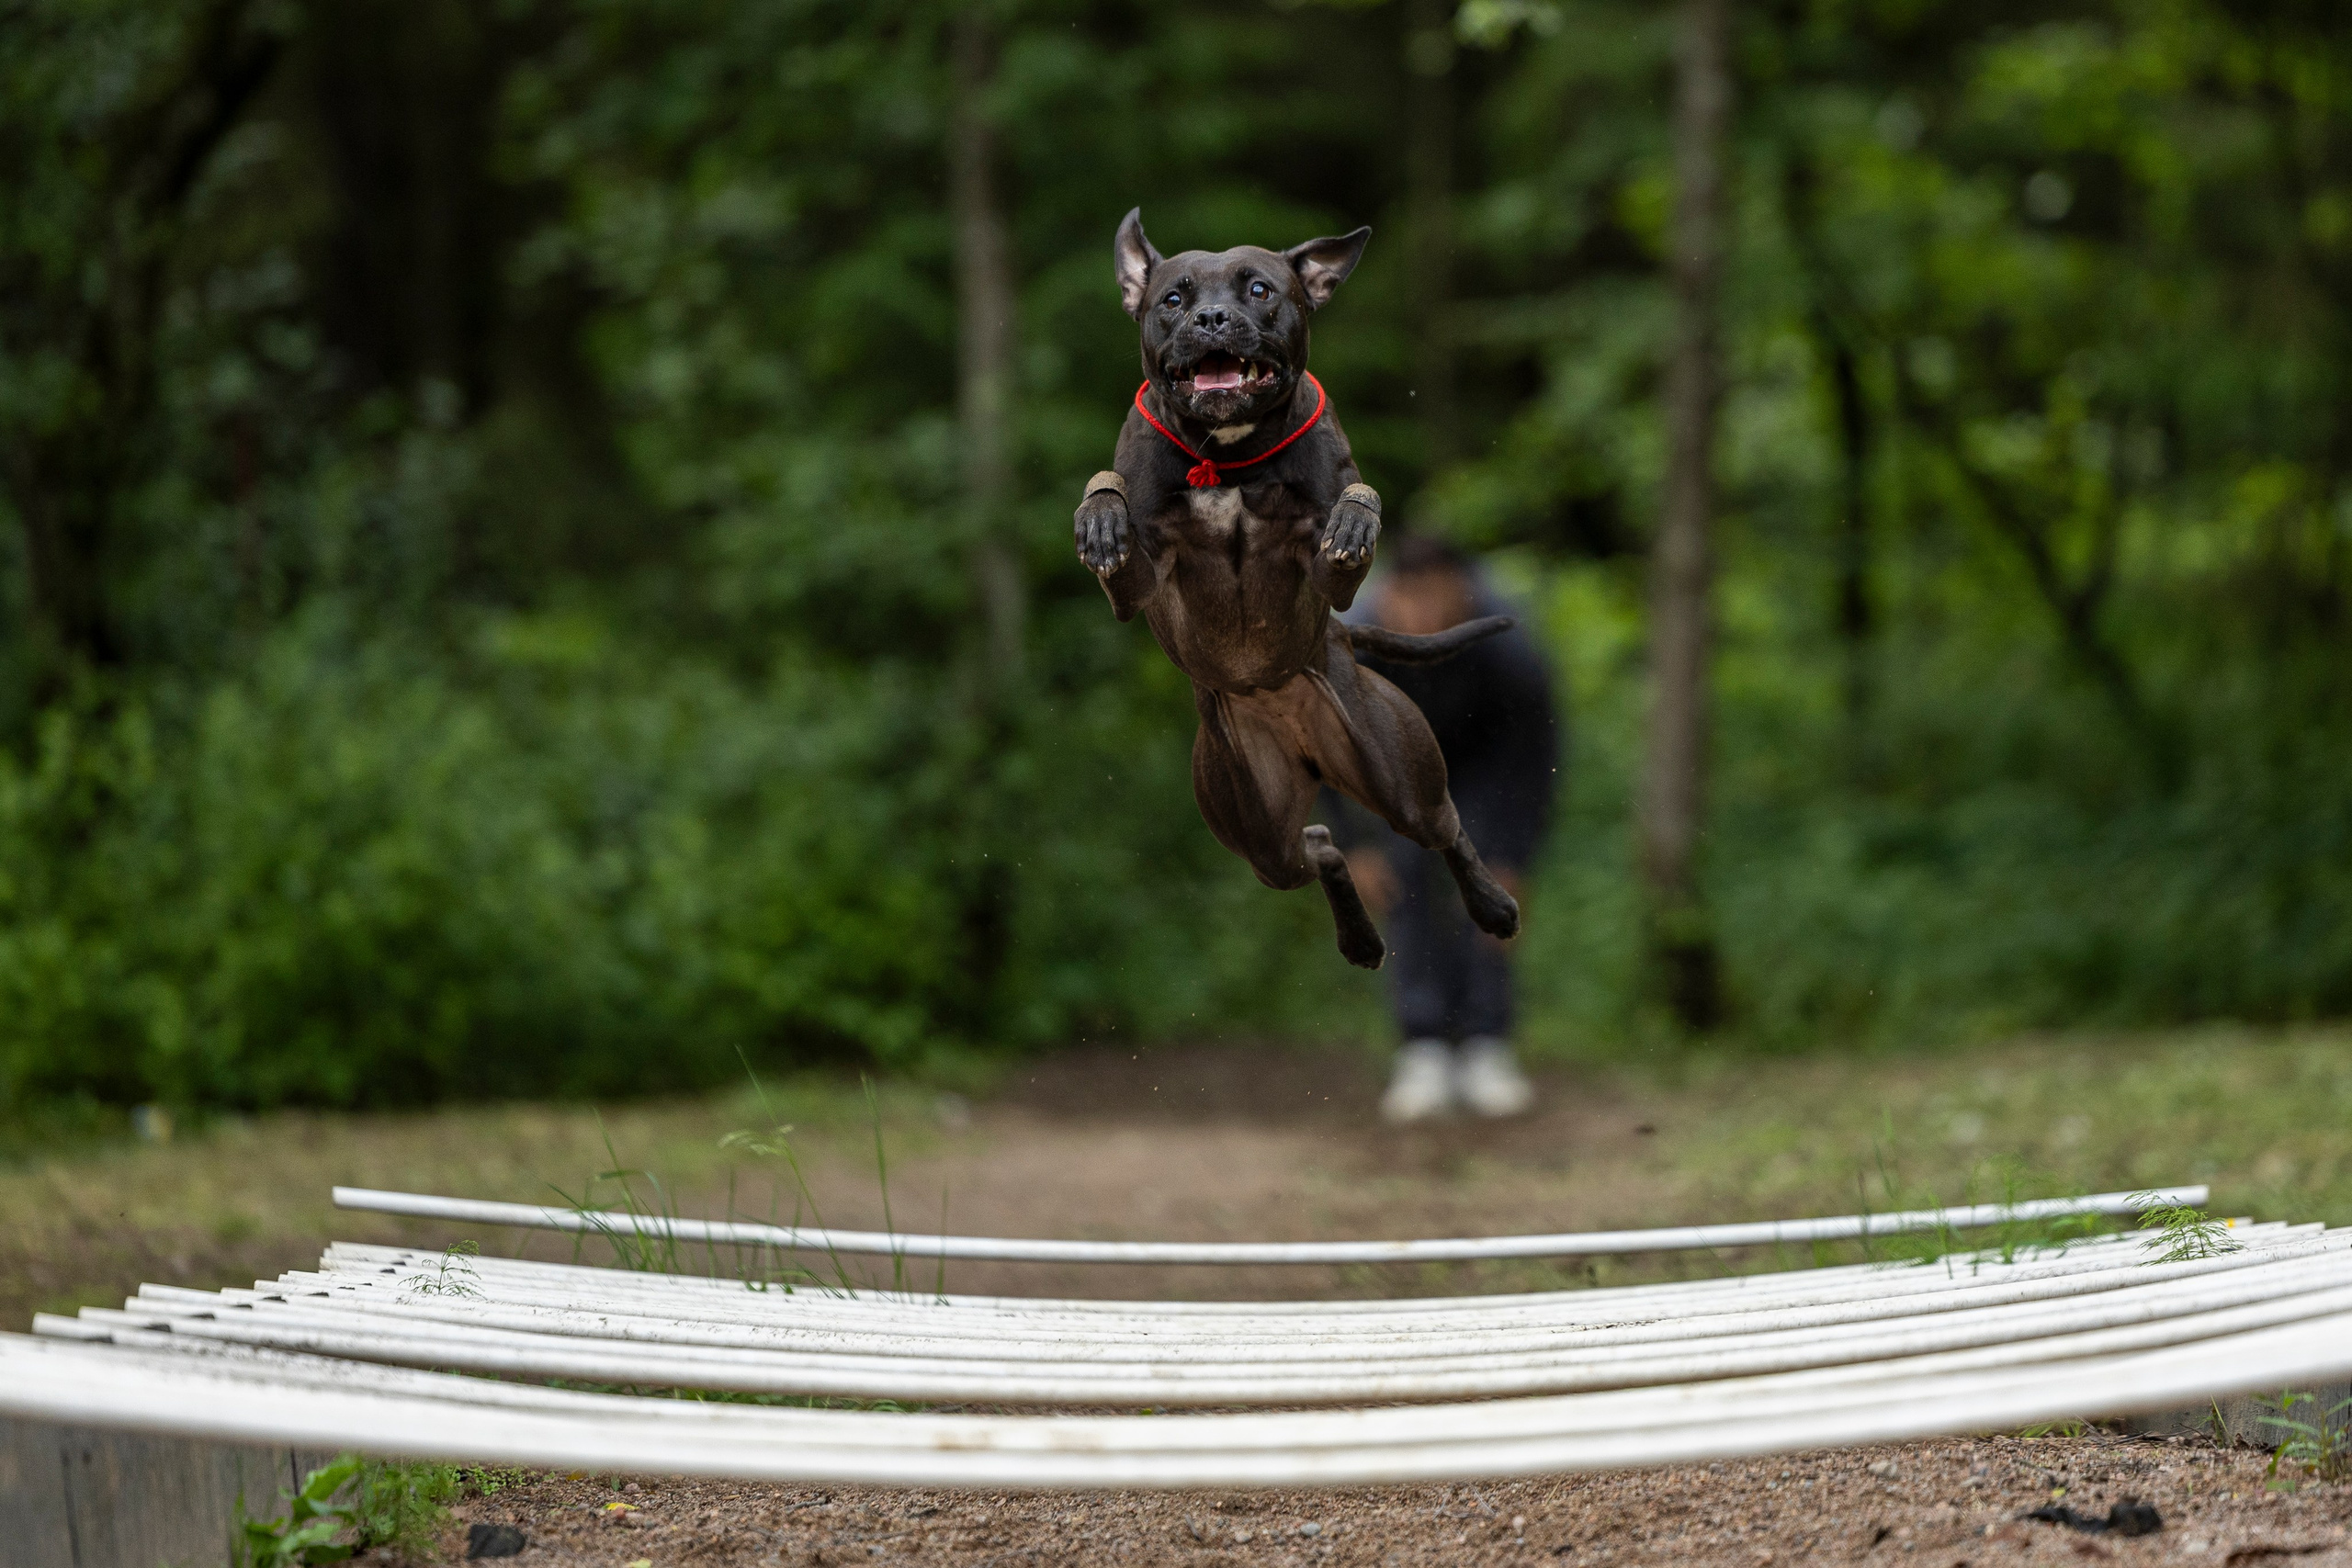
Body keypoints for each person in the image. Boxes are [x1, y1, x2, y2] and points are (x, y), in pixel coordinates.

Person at [1337, 536, 1560, 1122]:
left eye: (1442, 600)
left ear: (1466, 592)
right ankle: (1424, 1047)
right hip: (1396, 764)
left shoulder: (1508, 646)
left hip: (1486, 770)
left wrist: (1516, 855)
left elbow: (1533, 760)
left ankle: (1487, 1044)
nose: (1427, 618)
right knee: (1401, 878)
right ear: (1389, 595)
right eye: (1414, 601)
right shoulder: (1351, 646)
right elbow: (1328, 752)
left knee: (1490, 890)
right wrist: (1354, 846)